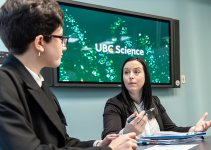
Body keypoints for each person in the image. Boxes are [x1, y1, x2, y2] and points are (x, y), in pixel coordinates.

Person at [0, 0, 137, 149]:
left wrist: (99, 144)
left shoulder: (39, 84)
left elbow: (63, 142)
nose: (64, 47)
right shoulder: (4, 85)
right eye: (61, 38)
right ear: (40, 42)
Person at [103, 57, 211, 139]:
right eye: (126, 72)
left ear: (146, 77)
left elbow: (171, 129)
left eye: (136, 72)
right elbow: (109, 138)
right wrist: (125, 132)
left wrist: (194, 130)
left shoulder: (154, 101)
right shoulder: (114, 103)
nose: (131, 76)